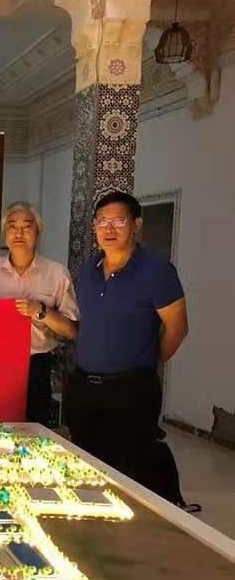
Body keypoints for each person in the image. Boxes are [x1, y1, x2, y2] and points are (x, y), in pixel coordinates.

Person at [65, 190, 197, 511]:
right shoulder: (88, 270)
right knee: (87, 461)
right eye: (102, 221)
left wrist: (147, 363)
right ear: (94, 227)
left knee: (133, 467)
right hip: (85, 385)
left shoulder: (156, 271)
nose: (109, 229)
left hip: (131, 388)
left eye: (119, 221)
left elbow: (177, 328)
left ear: (136, 225)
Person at [0, 202, 78, 426]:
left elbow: (71, 331)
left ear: (39, 230)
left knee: (34, 432)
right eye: (12, 227)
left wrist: (41, 311)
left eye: (27, 227)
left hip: (36, 365)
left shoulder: (57, 274)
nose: (19, 234)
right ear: (4, 232)